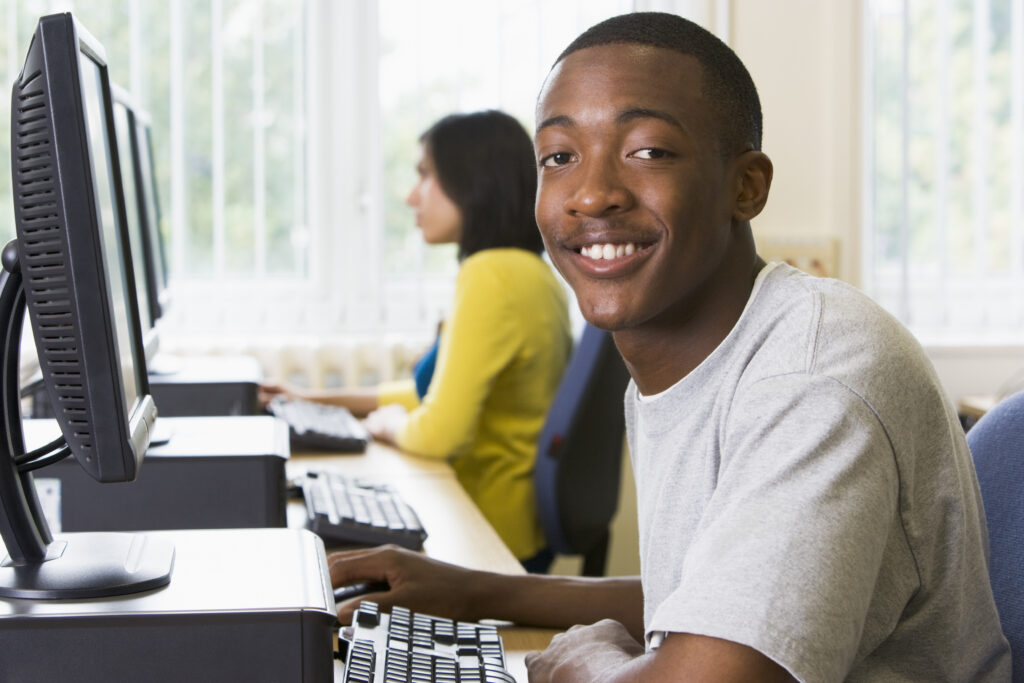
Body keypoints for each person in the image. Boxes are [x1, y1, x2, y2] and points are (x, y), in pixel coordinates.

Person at [326, 12, 1012, 682]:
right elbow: (711, 599)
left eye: (648, 150)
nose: (591, 194)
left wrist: (591, 663)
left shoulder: (812, 378)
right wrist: (476, 591)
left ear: (747, 186)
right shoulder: (693, 353)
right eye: (560, 157)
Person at [263, 110, 572, 568]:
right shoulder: (530, 272)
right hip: (504, 524)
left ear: (474, 182)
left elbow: (438, 433)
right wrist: (315, 398)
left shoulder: (491, 276)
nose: (411, 196)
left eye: (425, 175)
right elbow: (429, 394)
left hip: (485, 537)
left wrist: (386, 426)